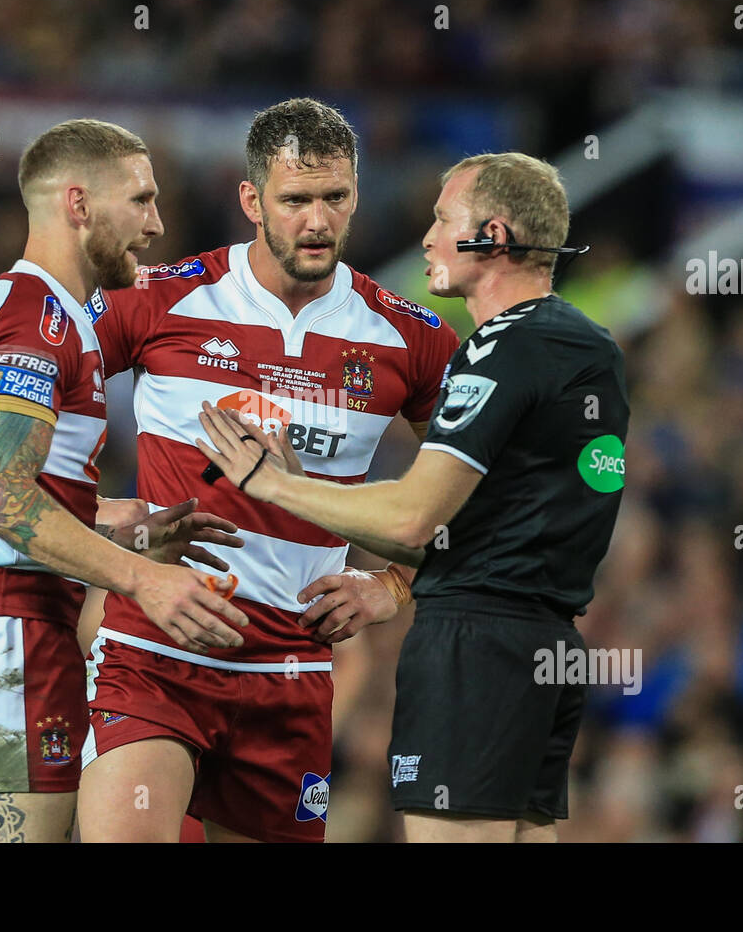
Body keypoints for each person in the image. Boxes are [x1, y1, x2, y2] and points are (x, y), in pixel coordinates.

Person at [196, 152, 629, 843]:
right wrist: (391, 587)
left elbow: (413, 513)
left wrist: (272, 483)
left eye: (442, 219)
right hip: (543, 641)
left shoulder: (502, 348)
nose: (426, 237)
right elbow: (479, 525)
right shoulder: (586, 344)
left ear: (492, 234)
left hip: (476, 649)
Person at [78, 98, 459, 843]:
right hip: (158, 651)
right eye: (295, 200)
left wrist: (391, 586)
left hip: (292, 672)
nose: (317, 222)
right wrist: (106, 520)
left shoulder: (410, 339)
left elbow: (486, 492)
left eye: (335, 198)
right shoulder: (157, 299)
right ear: (251, 199)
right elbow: (14, 421)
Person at [0, 119, 248, 843]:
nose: (157, 224)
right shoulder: (38, 325)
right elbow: (0, 497)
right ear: (78, 203)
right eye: (141, 200)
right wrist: (141, 578)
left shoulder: (26, 312)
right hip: (6, 625)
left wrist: (127, 521)